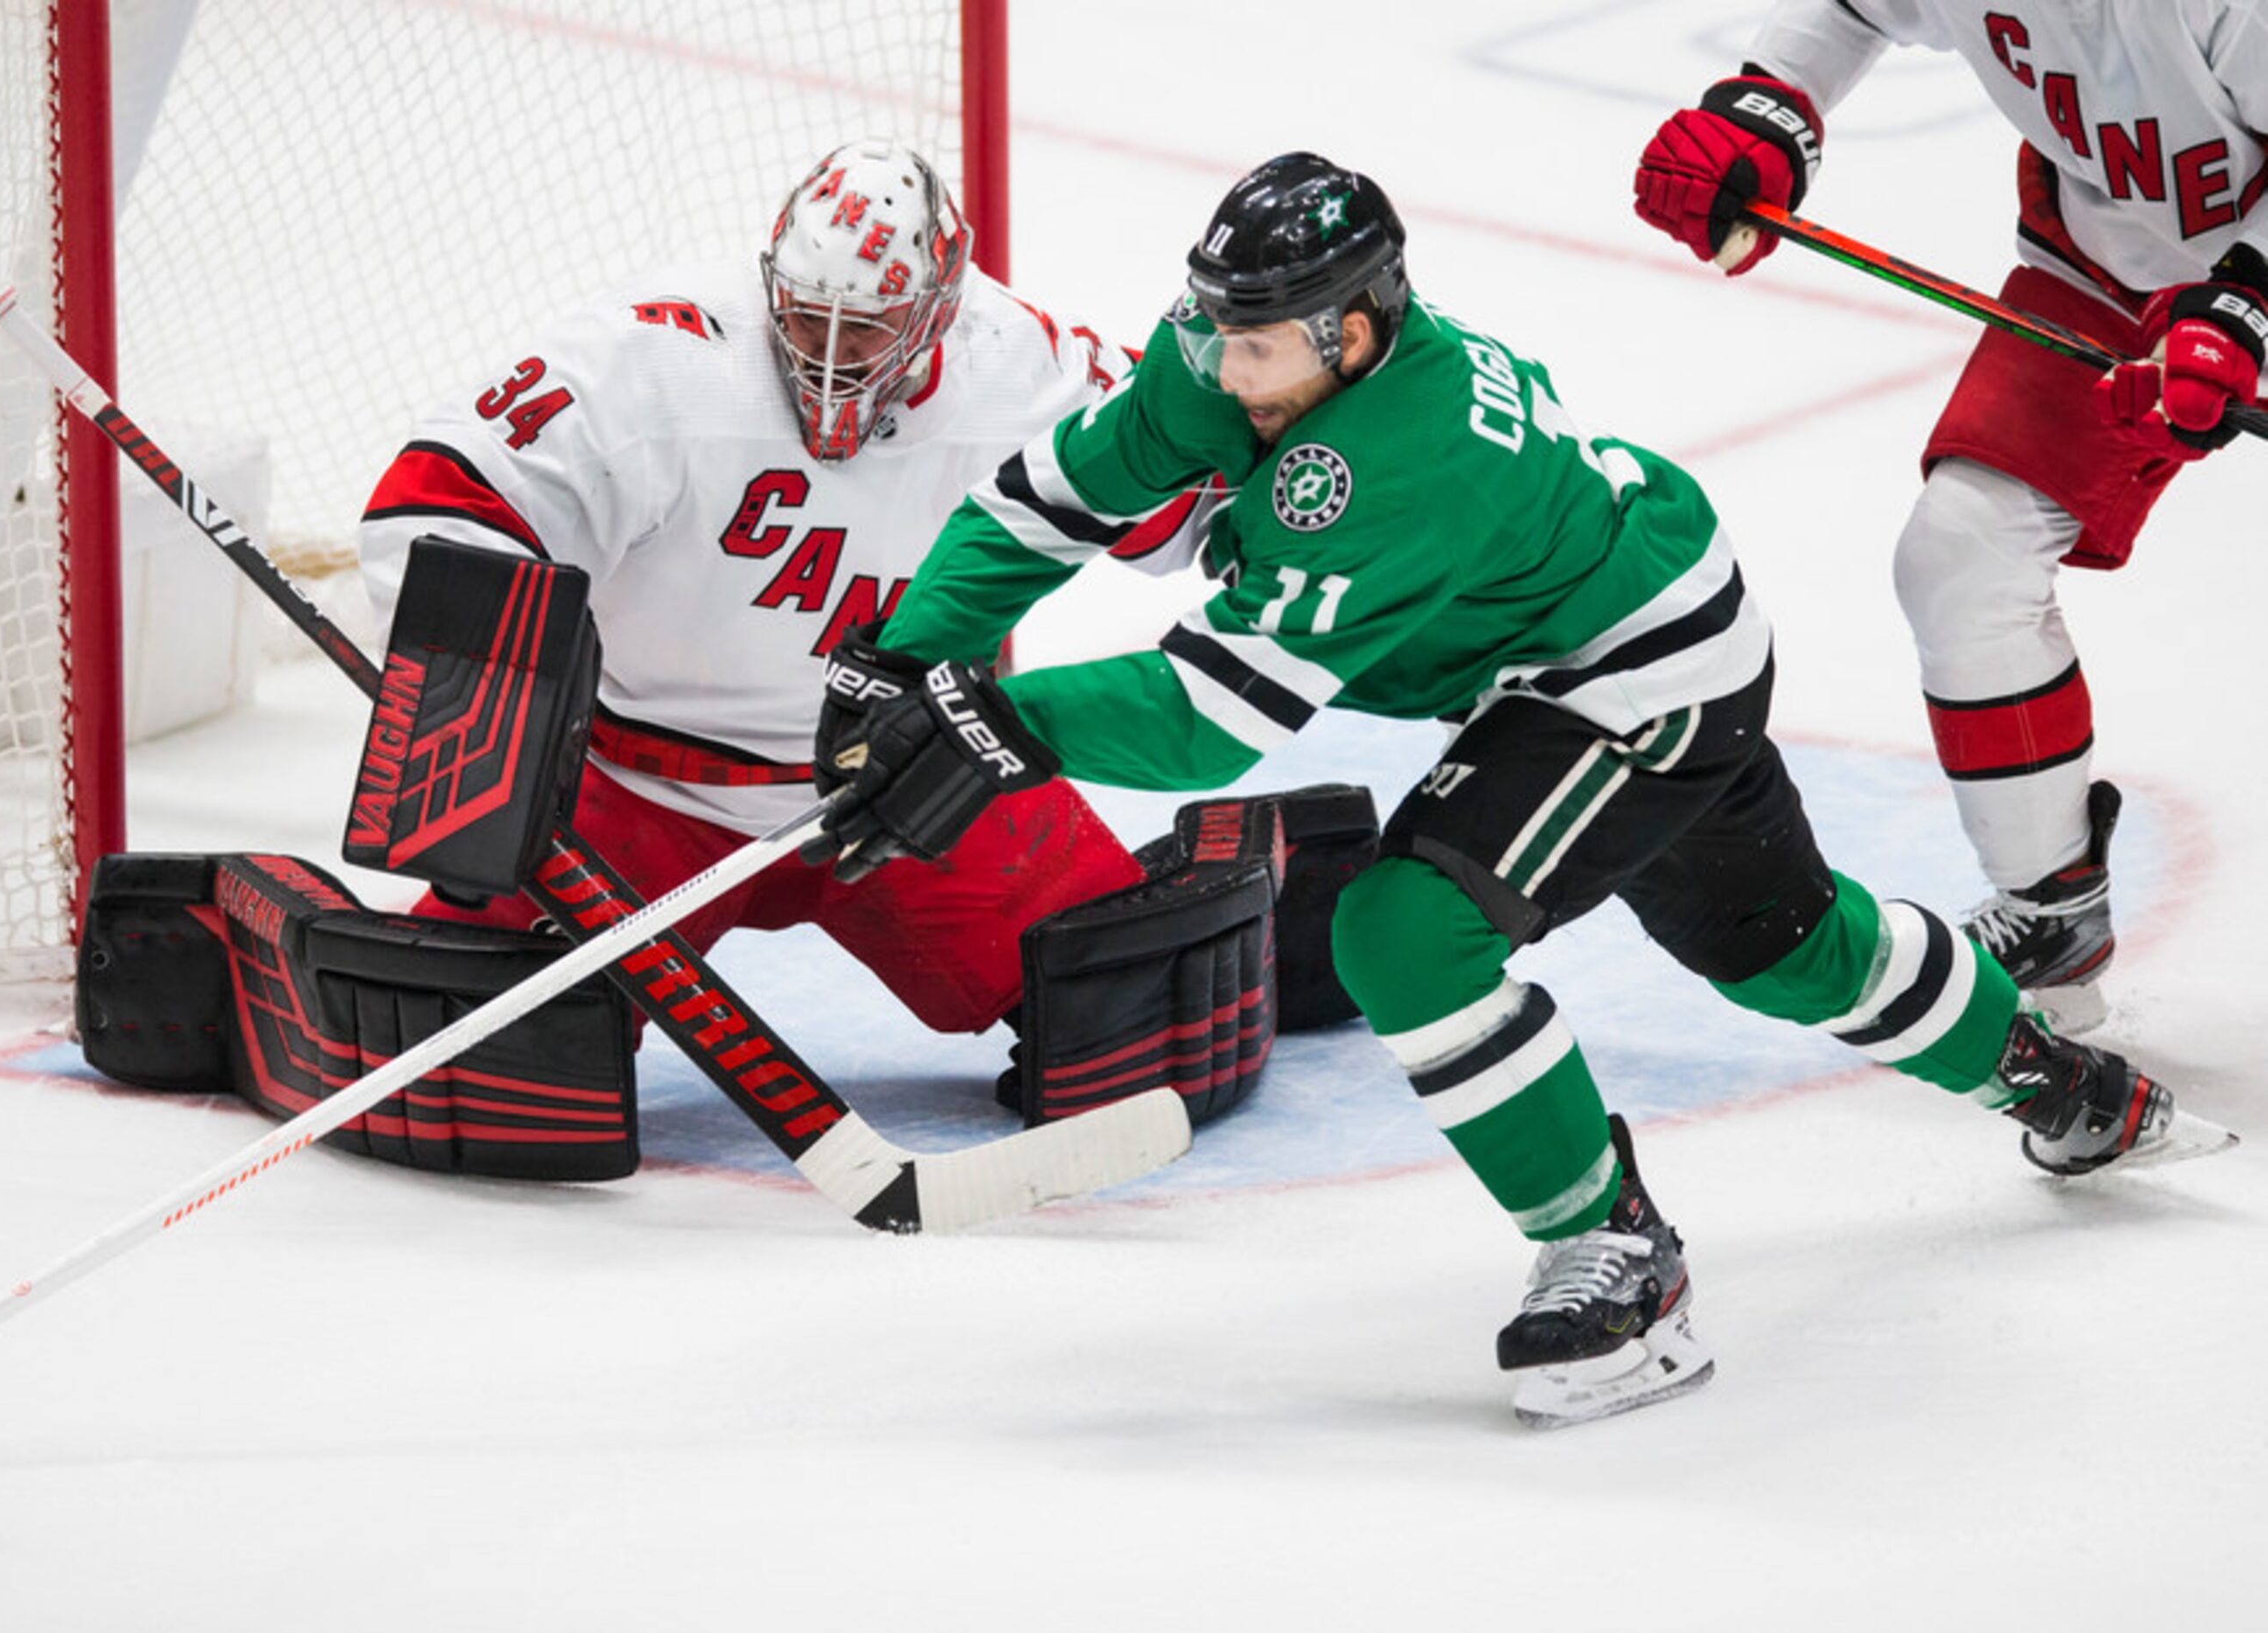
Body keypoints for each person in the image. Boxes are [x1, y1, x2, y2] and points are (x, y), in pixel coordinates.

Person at [806, 151, 2213, 1427]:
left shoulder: (1393, 462)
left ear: (1356, 327)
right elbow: (1047, 495)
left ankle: (1614, 1250)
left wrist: (988, 721)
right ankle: (2050, 1074)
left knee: (1404, 932)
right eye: (1220, 331)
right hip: (1604, 624)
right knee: (1784, 948)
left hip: (1629, 672)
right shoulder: (1221, 348)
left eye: (1265, 346)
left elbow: (1204, 721)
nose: (1228, 369)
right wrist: (908, 661)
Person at [353, 138, 1280, 1124]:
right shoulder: (648, 361)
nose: (829, 355)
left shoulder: (1030, 372)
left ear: (938, 311)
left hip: (911, 786)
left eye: (868, 328)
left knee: (1138, 1033)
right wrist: (492, 732)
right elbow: (435, 508)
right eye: (805, 318)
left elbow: (1220, 513)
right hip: (635, 792)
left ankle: (1284, 872)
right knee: (478, 1067)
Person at [1630, 3, 2268, 1030]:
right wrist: (1768, 106)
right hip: (2110, 280)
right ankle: (2048, 901)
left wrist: (2245, 309)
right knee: (1961, 558)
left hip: (2234, 292)